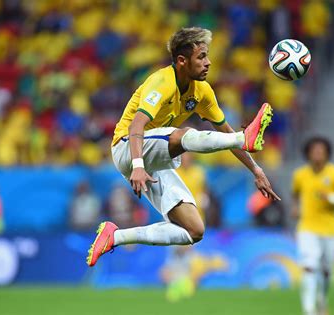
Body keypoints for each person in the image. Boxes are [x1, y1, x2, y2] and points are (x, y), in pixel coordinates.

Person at [87, 27, 278, 267]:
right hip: (128, 147)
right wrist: (137, 165)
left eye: (207, 56)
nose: (208, 63)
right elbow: (137, 125)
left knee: (194, 231)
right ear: (181, 61)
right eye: (201, 57)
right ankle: (244, 137)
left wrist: (256, 171)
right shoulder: (161, 82)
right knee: (184, 135)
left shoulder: (202, 92)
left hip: (154, 157)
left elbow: (225, 134)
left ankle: (115, 236)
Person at [291, 137, 334, 315]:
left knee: (326, 271)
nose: (317, 154)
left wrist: (333, 198)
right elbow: (295, 193)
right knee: (309, 265)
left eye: (321, 151)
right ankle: (309, 310)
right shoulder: (300, 174)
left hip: (330, 229)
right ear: (308, 154)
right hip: (307, 227)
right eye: (314, 151)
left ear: (327, 154)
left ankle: (322, 299)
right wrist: (295, 207)